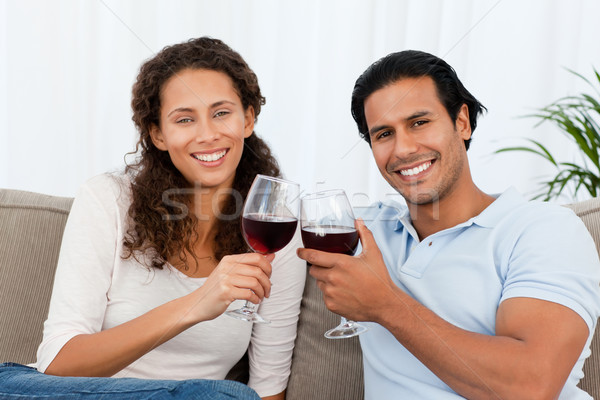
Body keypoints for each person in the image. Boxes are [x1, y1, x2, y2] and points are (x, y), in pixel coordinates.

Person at [0, 37, 305, 400]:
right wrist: (195, 305)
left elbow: (269, 389)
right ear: (158, 134)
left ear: (248, 119)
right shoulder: (109, 199)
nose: (208, 134)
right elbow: (58, 364)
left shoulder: (278, 233)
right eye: (185, 119)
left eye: (221, 113)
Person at [297, 50, 600, 399]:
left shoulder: (543, 230)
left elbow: (530, 387)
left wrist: (385, 305)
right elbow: (269, 225)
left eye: (419, 122)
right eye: (383, 134)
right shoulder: (367, 232)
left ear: (462, 123)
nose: (403, 149)